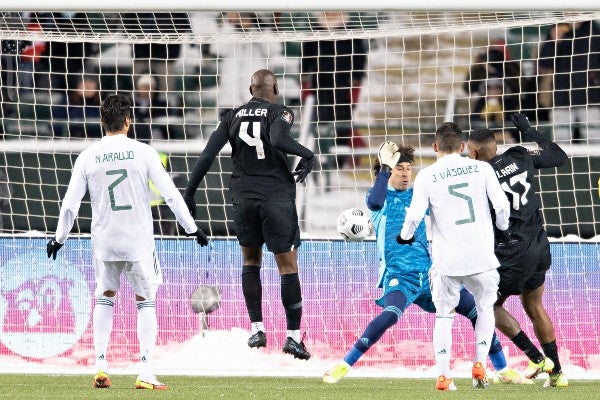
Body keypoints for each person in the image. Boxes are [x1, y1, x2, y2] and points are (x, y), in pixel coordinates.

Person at [322, 141, 531, 386]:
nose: (405, 173)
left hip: (431, 275)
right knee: (390, 315)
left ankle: (502, 369)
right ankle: (344, 365)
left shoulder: (416, 194)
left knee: (477, 311)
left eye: (408, 168)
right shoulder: (379, 198)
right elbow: (376, 203)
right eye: (399, 168)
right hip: (400, 276)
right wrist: (385, 169)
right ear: (389, 170)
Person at [46, 93, 208, 390]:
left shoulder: (88, 156)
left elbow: (69, 205)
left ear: (101, 122)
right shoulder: (143, 152)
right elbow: (171, 194)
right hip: (138, 243)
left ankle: (100, 365)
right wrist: (191, 228)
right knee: (145, 301)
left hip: (105, 243)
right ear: (128, 121)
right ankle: (145, 370)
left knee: (104, 297)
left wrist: (59, 239)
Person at [183, 69, 315, 360]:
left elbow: (207, 155)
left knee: (250, 260)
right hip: (276, 197)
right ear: (276, 89)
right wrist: (308, 154)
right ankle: (293, 337)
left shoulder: (231, 116)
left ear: (250, 88)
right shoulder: (280, 112)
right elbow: (279, 140)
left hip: (243, 197)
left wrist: (189, 192)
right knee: (287, 265)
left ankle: (257, 329)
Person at [397, 122, 511, 390]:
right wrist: (503, 227)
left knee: (444, 315)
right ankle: (480, 364)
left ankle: (444, 375)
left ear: (435, 147)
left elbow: (414, 215)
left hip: (447, 260)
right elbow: (501, 205)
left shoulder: (426, 176)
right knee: (484, 309)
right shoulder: (483, 168)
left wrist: (405, 235)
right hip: (481, 257)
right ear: (462, 147)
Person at [467, 112, 569, 388]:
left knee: (487, 306)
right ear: (496, 146)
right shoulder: (519, 156)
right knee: (534, 304)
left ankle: (534, 357)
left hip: (511, 250)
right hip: (539, 242)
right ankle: (557, 373)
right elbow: (558, 156)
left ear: (474, 152)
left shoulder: (479, 175)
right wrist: (527, 129)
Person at [301, 11, 367, 168]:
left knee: (343, 123)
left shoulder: (351, 33)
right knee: (322, 123)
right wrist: (305, 85)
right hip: (320, 87)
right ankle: (322, 158)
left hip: (344, 87)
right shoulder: (314, 32)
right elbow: (305, 62)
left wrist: (356, 85)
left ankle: (340, 159)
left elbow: (359, 62)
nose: (331, 14)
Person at [538, 20, 600, 143]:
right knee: (560, 140)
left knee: (594, 138)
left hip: (589, 96)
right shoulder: (557, 27)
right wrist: (554, 41)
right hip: (562, 96)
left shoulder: (594, 29)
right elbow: (544, 62)